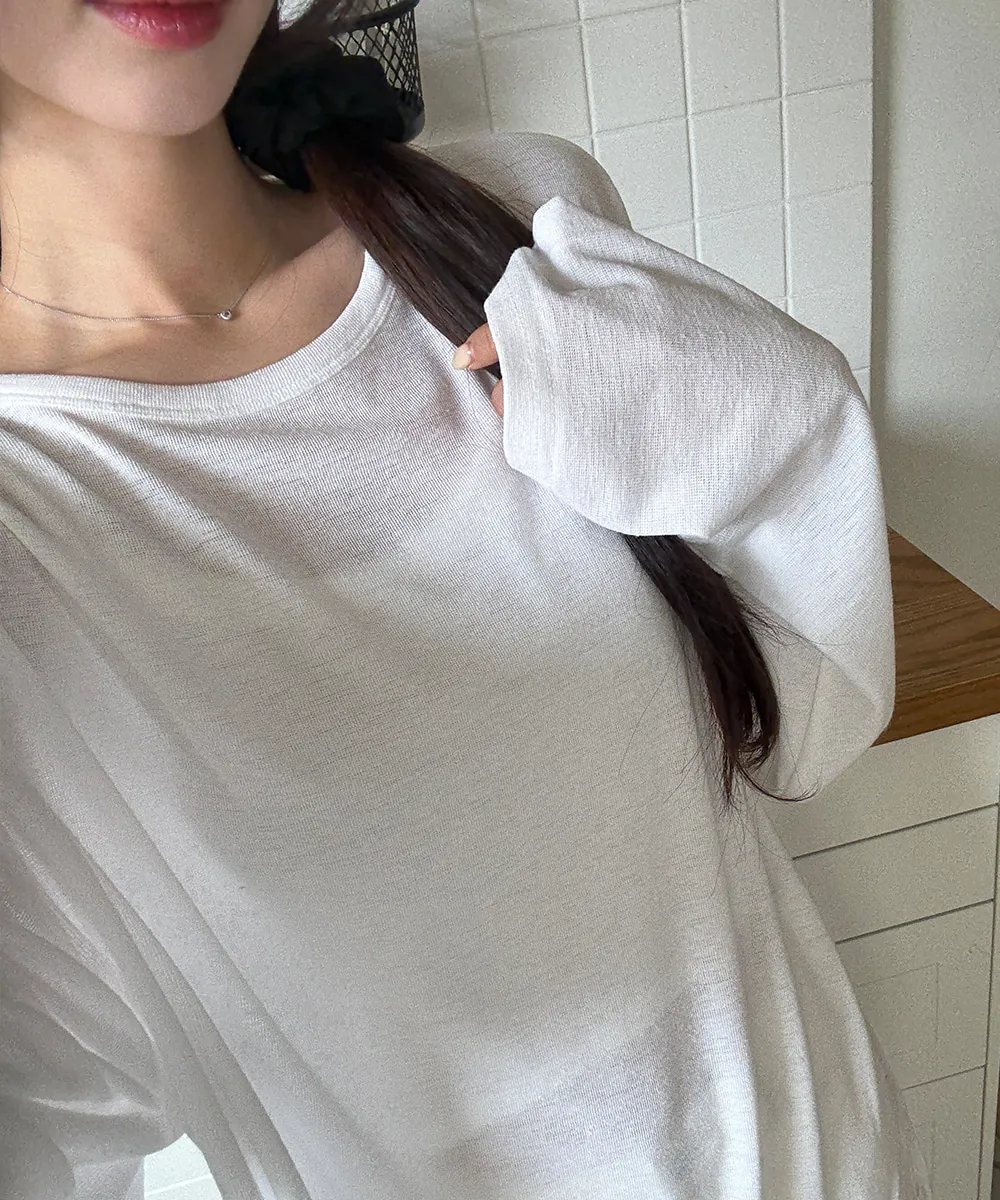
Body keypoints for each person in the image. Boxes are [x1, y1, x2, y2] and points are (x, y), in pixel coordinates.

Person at [0, 1, 932, 1198]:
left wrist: (780, 418)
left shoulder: (520, 226)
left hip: (845, 1154)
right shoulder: (28, 519)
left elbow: (801, 716)